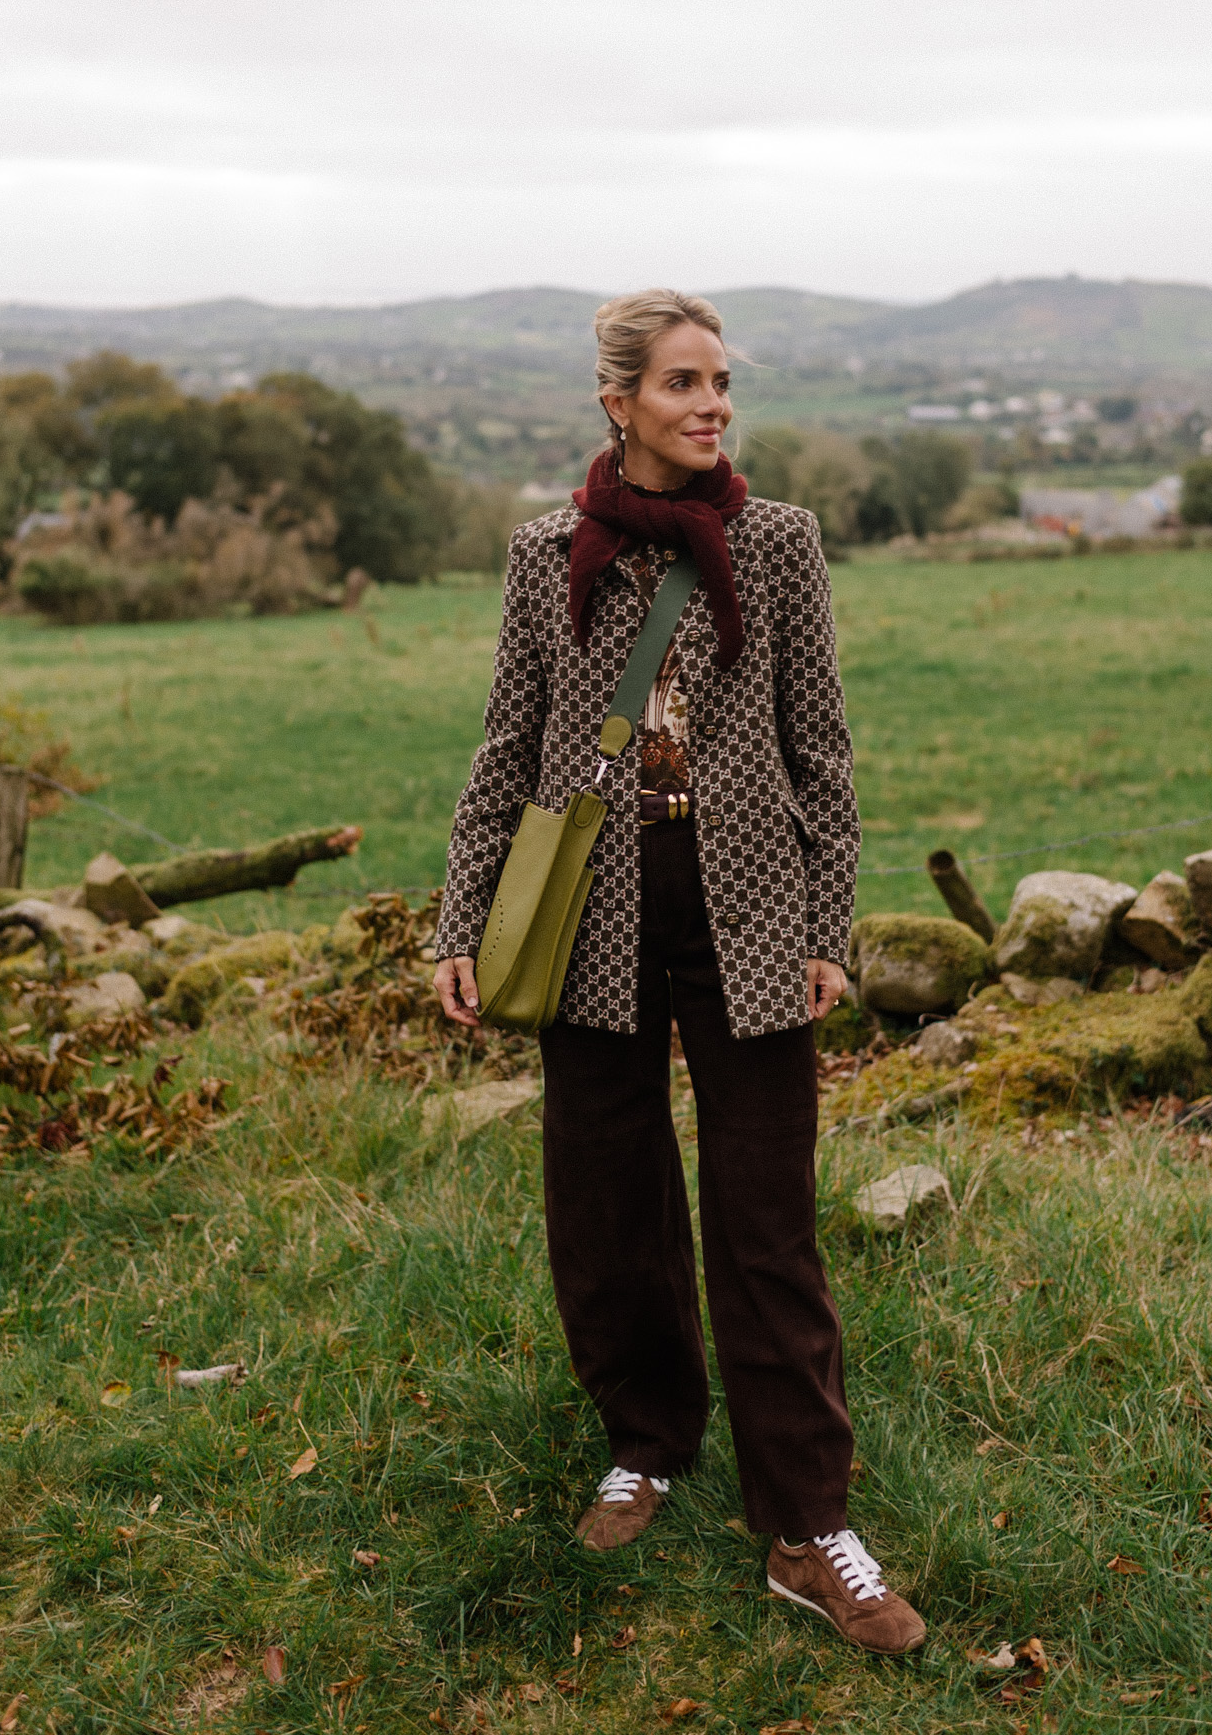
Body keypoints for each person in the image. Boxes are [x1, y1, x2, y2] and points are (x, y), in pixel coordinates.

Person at [433, 290, 926, 1656]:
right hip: (585, 913)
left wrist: (826, 927)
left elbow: (822, 749)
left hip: (753, 913)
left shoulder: (778, 544)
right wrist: (460, 921)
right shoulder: (547, 553)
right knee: (607, 1197)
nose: (712, 405)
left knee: (767, 1218)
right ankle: (645, 1441)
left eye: (720, 382)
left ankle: (807, 1524)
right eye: (683, 383)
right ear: (619, 401)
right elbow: (507, 748)